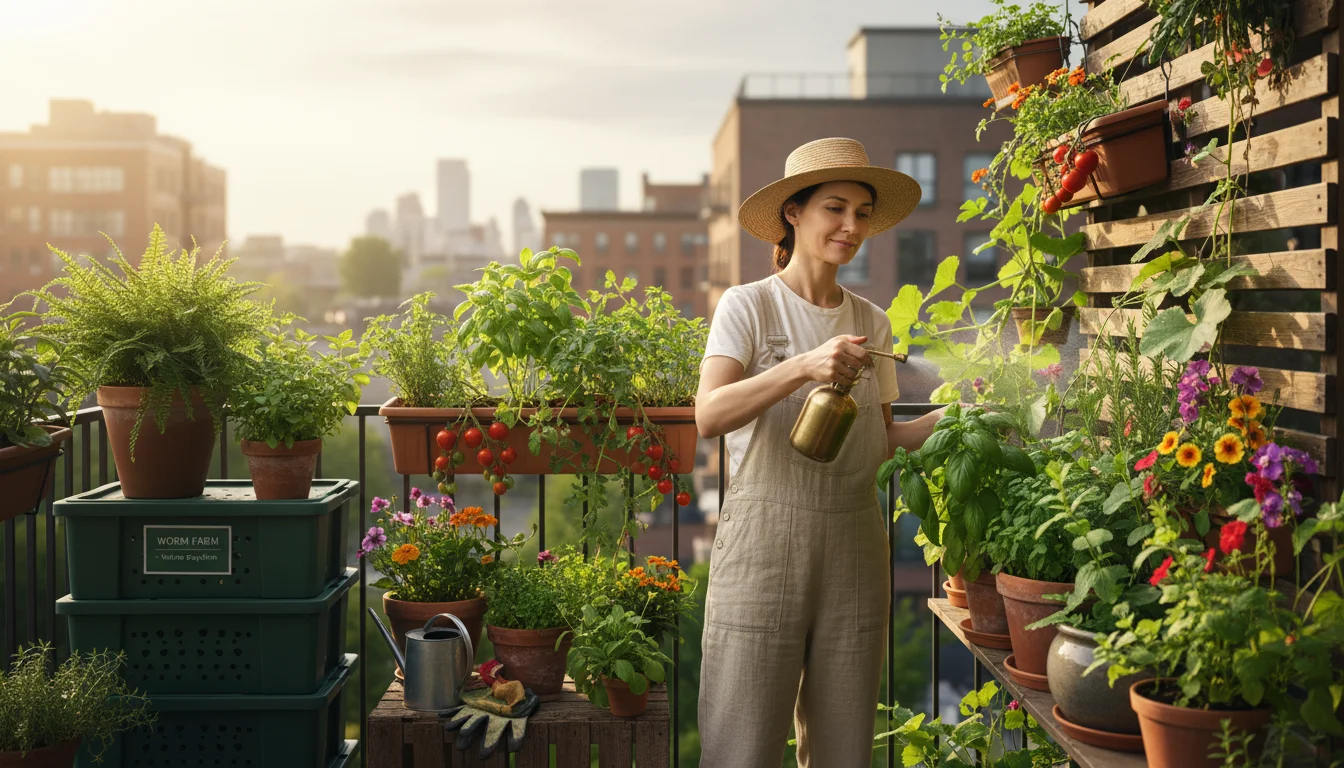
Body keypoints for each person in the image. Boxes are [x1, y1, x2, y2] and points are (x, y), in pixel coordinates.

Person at [695, 137, 948, 766]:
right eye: (835, 208)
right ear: (794, 213)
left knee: (844, 748)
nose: (850, 226)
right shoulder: (747, 306)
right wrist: (803, 366)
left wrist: (954, 423)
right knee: (742, 745)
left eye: (862, 213)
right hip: (761, 545)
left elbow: (882, 439)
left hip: (857, 547)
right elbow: (709, 415)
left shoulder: (873, 321)